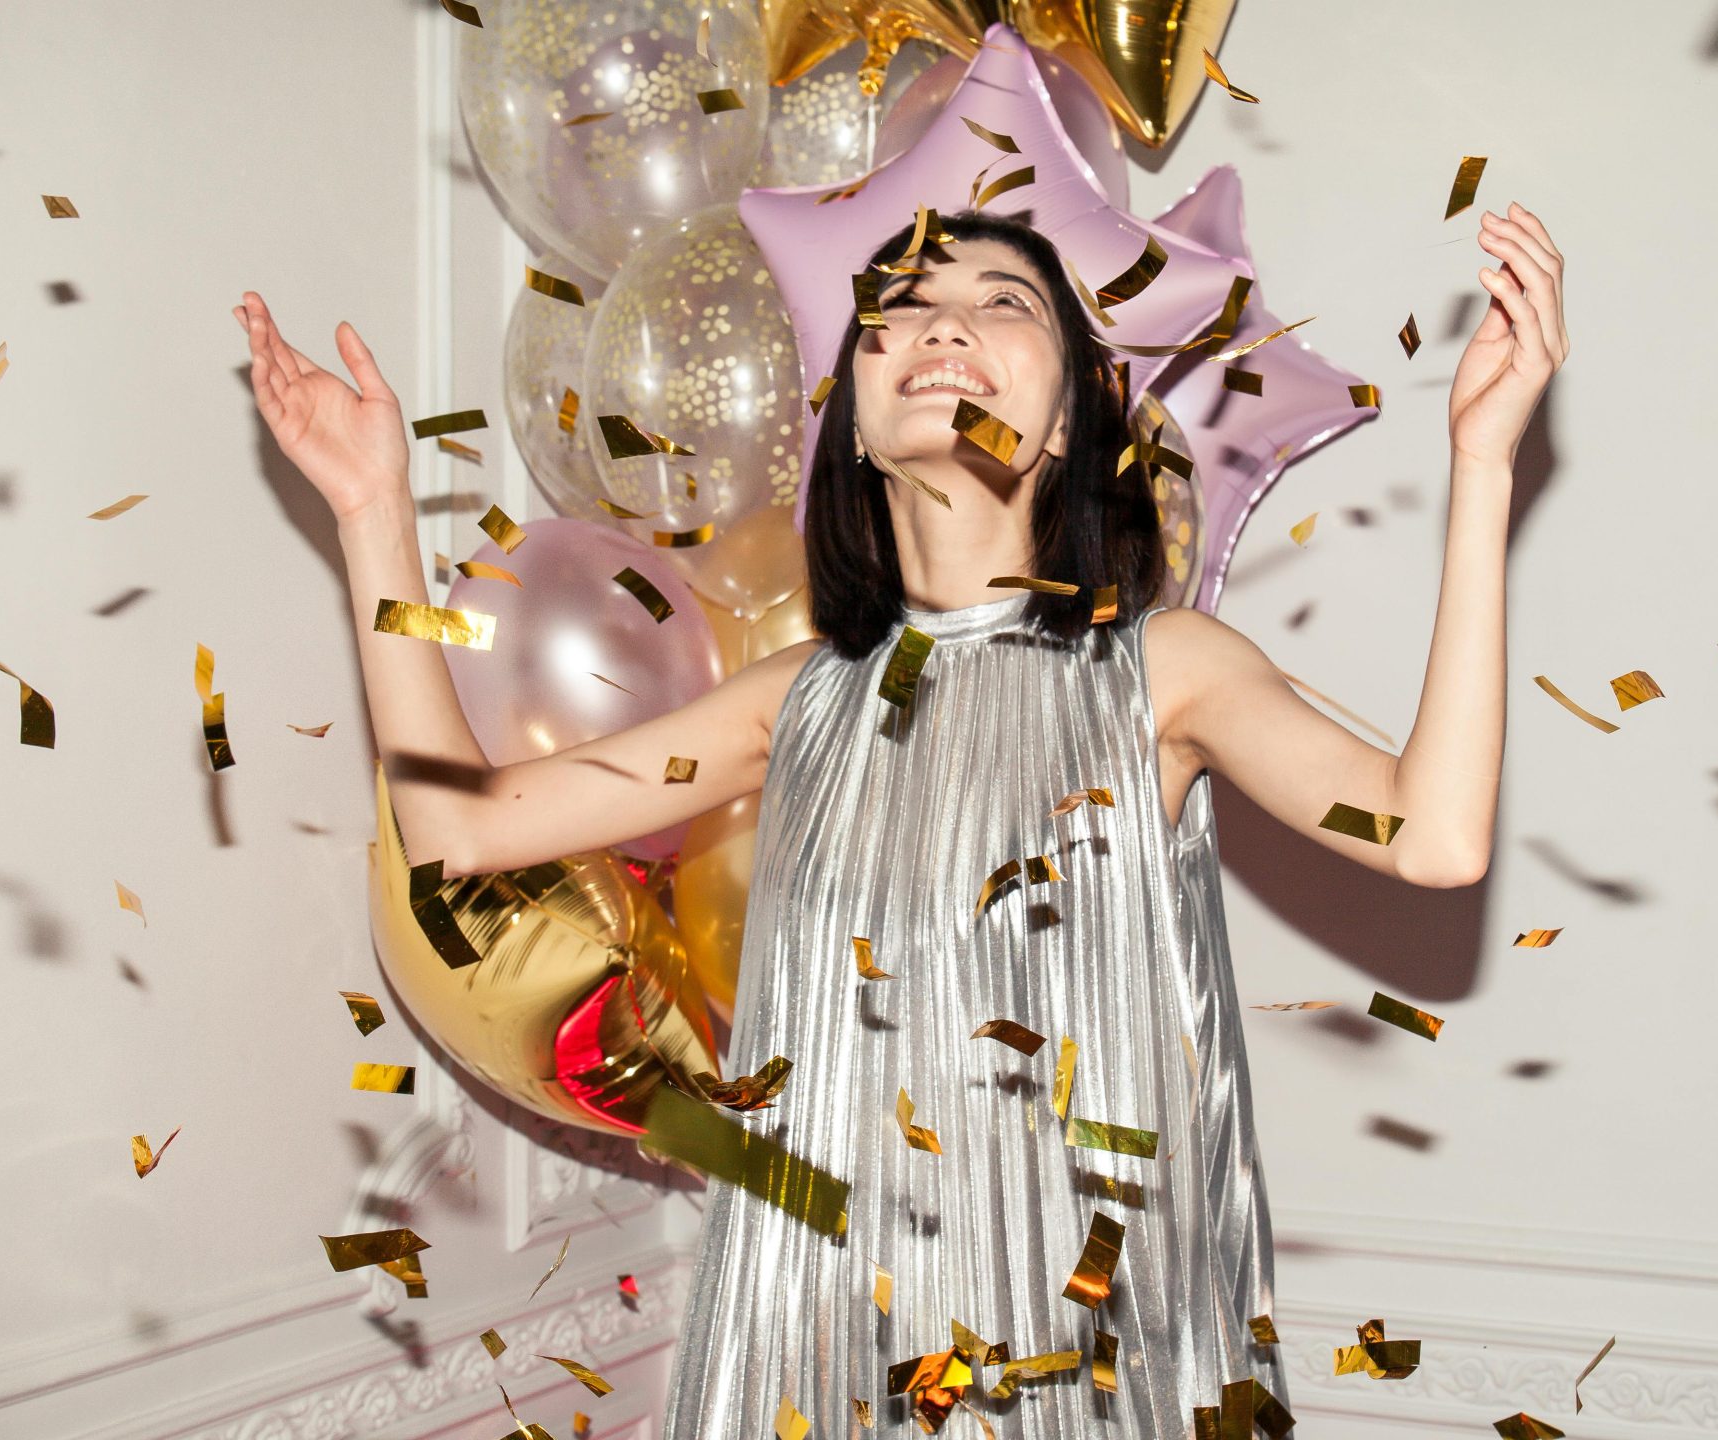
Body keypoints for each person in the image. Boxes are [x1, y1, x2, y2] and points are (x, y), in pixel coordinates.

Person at [237, 200, 1565, 1435]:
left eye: (1005, 305)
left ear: (1066, 422)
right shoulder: (796, 701)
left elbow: (1431, 836)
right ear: (858, 424)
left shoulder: (1166, 672)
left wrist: (1484, 467)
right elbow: (460, 830)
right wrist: (371, 522)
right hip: (821, 1369)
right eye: (904, 306)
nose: (944, 322)